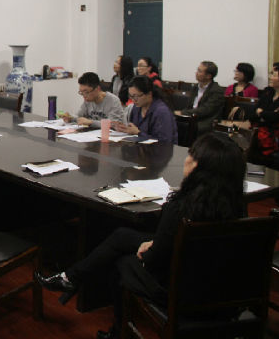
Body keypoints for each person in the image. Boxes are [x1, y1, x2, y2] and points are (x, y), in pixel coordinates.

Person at [34, 133, 247, 338]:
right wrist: (155, 243)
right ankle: (70, 278)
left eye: (192, 155)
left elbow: (154, 261)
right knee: (122, 236)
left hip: (179, 293)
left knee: (121, 263)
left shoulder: (180, 209)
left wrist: (150, 249)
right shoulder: (238, 208)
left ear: (198, 167)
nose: (187, 159)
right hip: (222, 293)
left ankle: (118, 330)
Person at [248, 65, 279, 172]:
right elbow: (253, 113)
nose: (270, 77)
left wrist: (261, 112)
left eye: (274, 75)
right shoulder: (268, 92)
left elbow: (277, 117)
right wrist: (266, 114)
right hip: (260, 130)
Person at [114, 76, 177, 144]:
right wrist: (125, 129)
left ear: (149, 94)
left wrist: (138, 133)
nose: (134, 100)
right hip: (140, 147)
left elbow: (165, 141)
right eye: (131, 96)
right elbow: (134, 130)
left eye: (136, 96)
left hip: (160, 149)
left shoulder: (161, 112)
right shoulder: (136, 108)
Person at [175, 61, 225, 136]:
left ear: (208, 76)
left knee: (185, 127)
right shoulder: (195, 87)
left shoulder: (216, 91)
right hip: (192, 117)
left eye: (199, 71)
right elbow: (189, 106)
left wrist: (182, 113)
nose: (196, 73)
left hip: (205, 121)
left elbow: (205, 110)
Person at [60, 72, 125, 127]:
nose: (84, 96)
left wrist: (91, 122)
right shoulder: (88, 101)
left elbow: (113, 124)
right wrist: (70, 118)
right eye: (81, 92)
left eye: (86, 92)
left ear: (97, 89)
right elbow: (79, 116)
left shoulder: (113, 101)